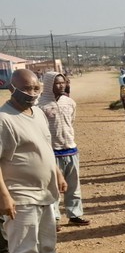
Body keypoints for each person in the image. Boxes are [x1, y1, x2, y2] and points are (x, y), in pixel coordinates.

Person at [0, 69, 78, 253]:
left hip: (45, 192)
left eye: (35, 88)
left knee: (47, 242)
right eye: (26, 88)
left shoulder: (38, 114)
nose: (32, 93)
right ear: (11, 88)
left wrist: (57, 173)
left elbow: (45, 146)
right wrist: (4, 196)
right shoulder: (4, 119)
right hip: (20, 194)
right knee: (24, 247)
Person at [37, 71, 90, 228]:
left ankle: (75, 214)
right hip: (51, 152)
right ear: (48, 85)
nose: (61, 85)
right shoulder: (40, 105)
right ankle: (54, 218)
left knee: (73, 185)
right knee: (52, 187)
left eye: (63, 82)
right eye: (57, 83)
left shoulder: (70, 102)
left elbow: (71, 122)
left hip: (70, 149)